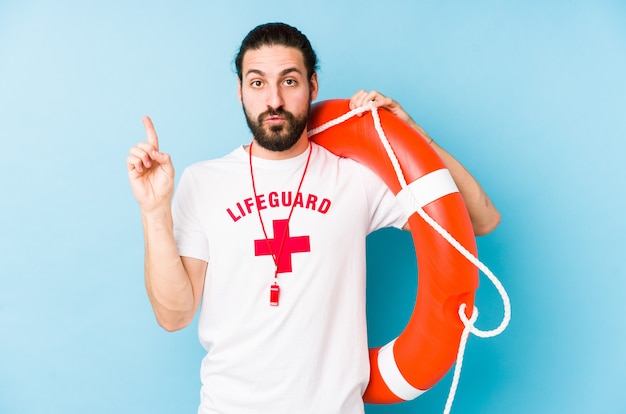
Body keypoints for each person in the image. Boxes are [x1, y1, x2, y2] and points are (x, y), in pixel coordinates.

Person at [126, 22, 500, 414]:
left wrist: (413, 136)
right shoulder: (203, 181)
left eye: (289, 81)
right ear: (239, 91)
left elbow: (478, 220)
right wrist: (153, 211)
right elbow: (175, 315)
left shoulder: (355, 178)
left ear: (313, 86)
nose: (274, 100)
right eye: (257, 83)